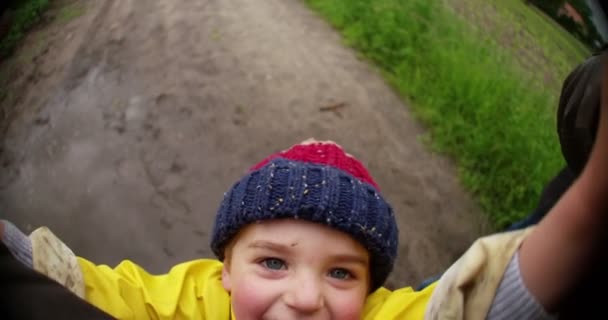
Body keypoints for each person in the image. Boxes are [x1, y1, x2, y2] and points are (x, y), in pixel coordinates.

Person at [1, 54, 607, 319]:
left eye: (342, 272)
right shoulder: (194, 302)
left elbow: (466, 305)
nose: (306, 298)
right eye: (271, 262)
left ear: (372, 291)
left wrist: (588, 205)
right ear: (224, 271)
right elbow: (81, 284)